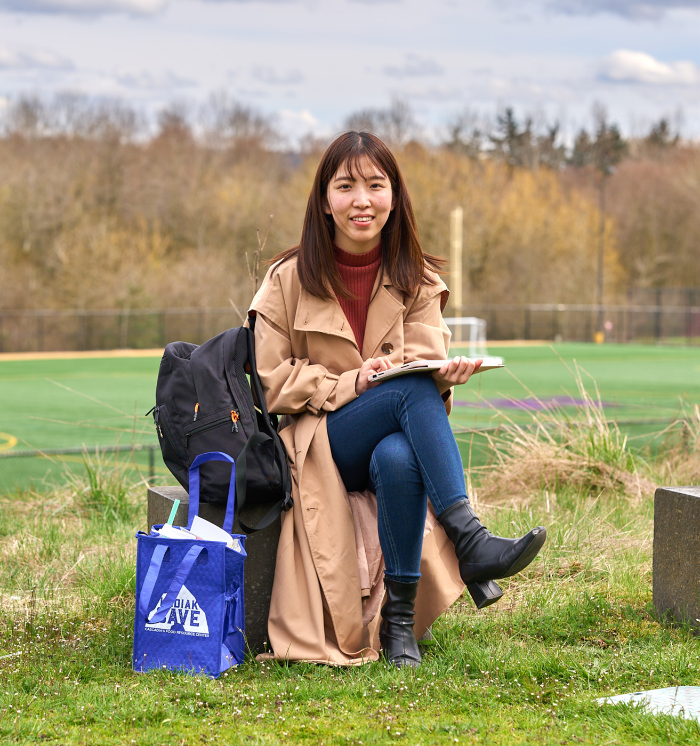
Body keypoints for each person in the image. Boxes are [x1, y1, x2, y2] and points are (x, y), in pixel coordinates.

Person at [248, 131, 546, 668]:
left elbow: (425, 370)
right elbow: (270, 381)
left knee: (398, 454)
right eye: (346, 186)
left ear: (394, 196)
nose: (362, 200)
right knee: (404, 387)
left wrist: (445, 376)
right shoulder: (286, 279)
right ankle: (470, 540)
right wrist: (352, 383)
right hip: (319, 442)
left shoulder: (418, 279)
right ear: (324, 200)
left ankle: (400, 628)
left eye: (375, 185)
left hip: (391, 439)